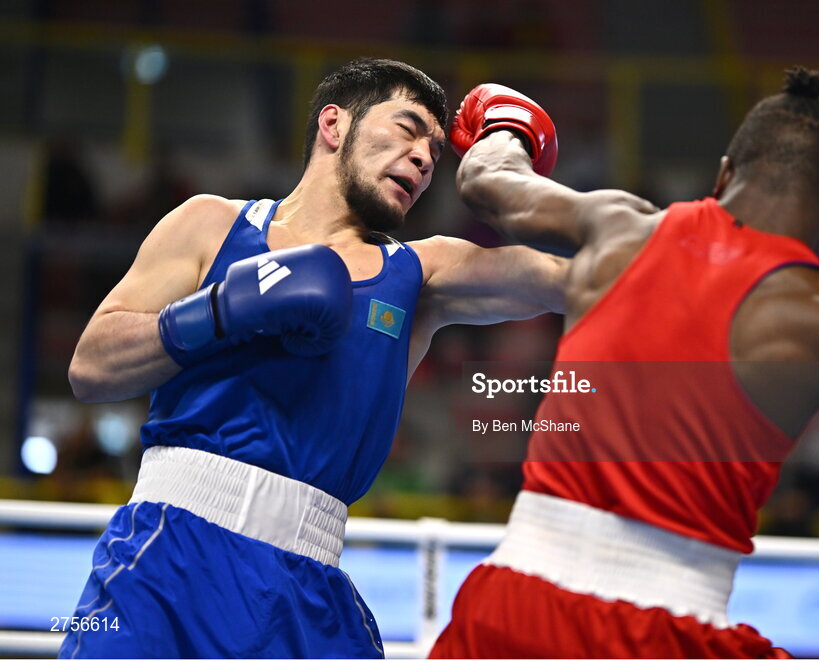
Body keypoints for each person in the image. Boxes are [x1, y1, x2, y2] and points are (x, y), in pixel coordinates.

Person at [430, 70, 819, 658]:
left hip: (512, 611)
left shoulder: (618, 226)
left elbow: (488, 179)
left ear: (724, 175)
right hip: (669, 632)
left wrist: (507, 128)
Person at [60, 58, 566, 659]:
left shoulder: (420, 273)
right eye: (407, 129)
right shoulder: (211, 224)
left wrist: (506, 167)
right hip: (166, 557)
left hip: (309, 587)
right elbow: (89, 367)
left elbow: (574, 278)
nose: (426, 159)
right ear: (334, 124)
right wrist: (222, 309)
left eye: (435, 148)